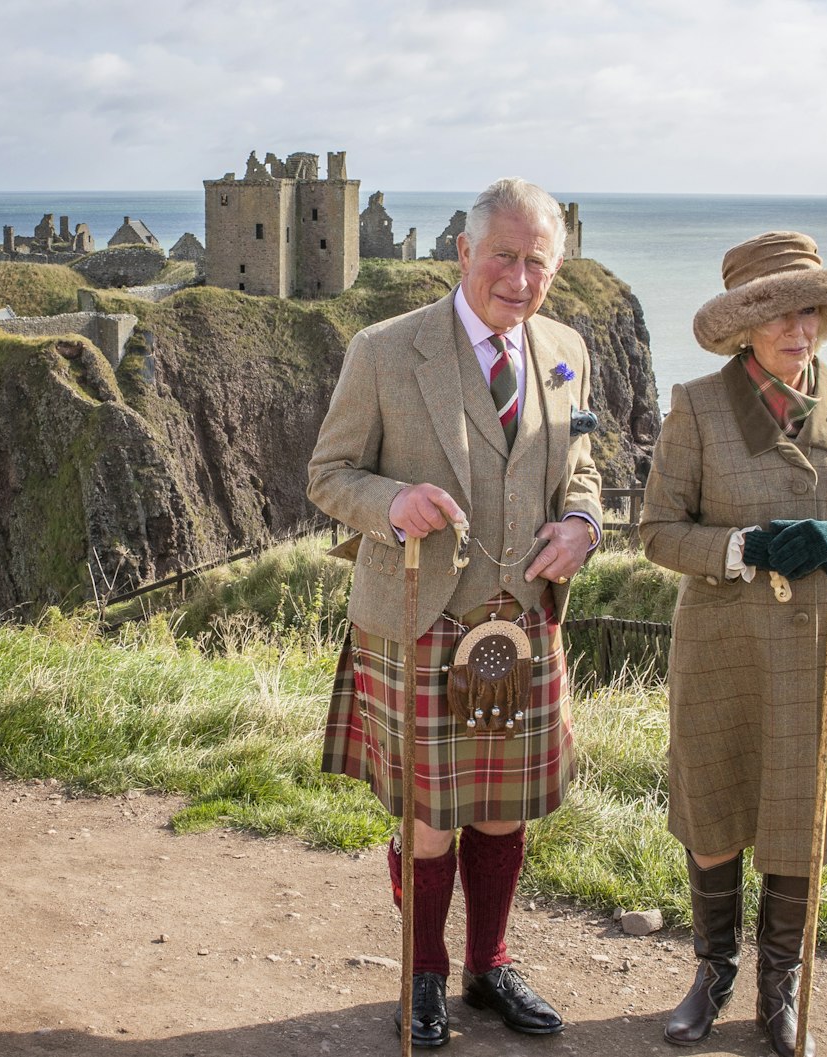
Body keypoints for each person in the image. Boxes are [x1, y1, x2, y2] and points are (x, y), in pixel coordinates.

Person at [308, 177, 603, 1048]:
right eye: (503, 256)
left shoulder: (564, 348)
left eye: (537, 261)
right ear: (464, 252)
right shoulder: (385, 349)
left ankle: (491, 964)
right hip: (420, 613)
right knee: (431, 816)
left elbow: (578, 467)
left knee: (504, 806)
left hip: (523, 622)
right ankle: (423, 972)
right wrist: (393, 502)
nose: (519, 277)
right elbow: (328, 475)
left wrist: (583, 523)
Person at [637, 231, 827, 1056]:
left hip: (824, 643)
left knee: (802, 810)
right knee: (716, 803)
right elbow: (655, 532)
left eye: (812, 309)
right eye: (780, 312)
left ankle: (779, 984)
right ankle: (712, 971)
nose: (802, 328)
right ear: (743, 324)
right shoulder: (696, 404)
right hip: (726, 641)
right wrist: (743, 547)